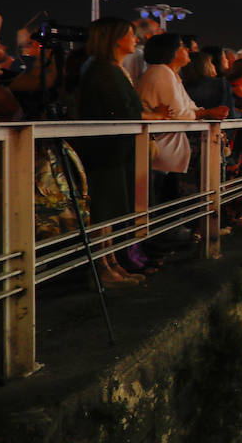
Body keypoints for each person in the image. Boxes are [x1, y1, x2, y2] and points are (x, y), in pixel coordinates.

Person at [73, 17, 167, 285]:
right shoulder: (103, 69)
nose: (135, 40)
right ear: (115, 39)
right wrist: (157, 116)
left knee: (110, 210)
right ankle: (103, 269)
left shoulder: (107, 67)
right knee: (103, 209)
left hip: (113, 149)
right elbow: (124, 111)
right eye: (130, 35)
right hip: (105, 150)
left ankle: (111, 263)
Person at [137, 33, 229, 204]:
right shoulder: (160, 72)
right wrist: (207, 113)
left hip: (167, 145)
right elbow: (179, 113)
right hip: (162, 147)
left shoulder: (170, 74)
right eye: (181, 46)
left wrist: (205, 112)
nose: (187, 49)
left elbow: (189, 106)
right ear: (169, 51)